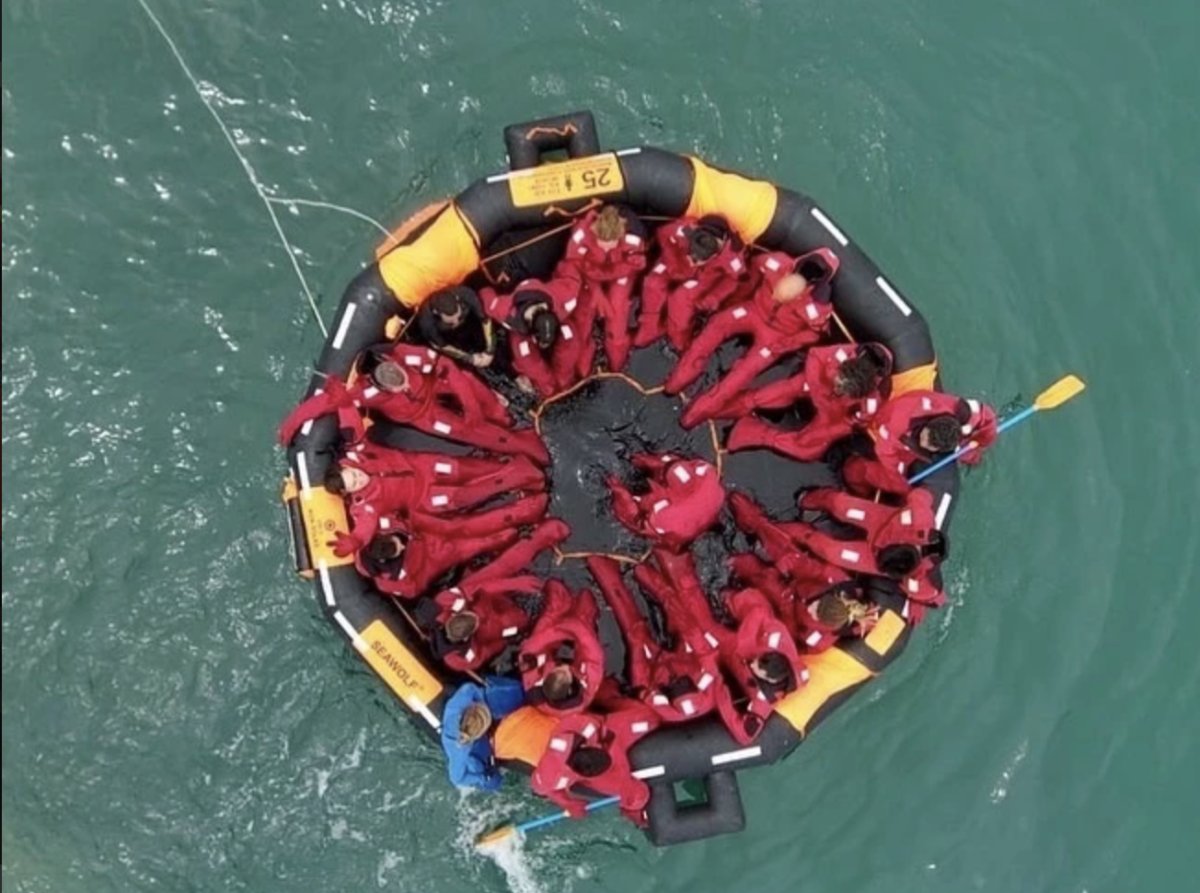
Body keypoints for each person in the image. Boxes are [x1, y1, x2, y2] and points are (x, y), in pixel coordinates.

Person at [278, 344, 549, 465]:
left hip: (434, 386)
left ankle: (502, 415)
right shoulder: (366, 393)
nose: (401, 383)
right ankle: (520, 445)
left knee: (470, 385)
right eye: (394, 385)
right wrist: (290, 427)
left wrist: (471, 405)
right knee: (464, 431)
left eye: (399, 376)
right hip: (424, 415)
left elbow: (448, 369)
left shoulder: (406, 356)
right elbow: (321, 404)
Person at [642, 547, 808, 744]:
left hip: (727, 657)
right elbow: (759, 614)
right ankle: (683, 568)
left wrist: (720, 687)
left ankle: (667, 585)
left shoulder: (763, 700)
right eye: (757, 661)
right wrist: (730, 603)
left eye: (757, 667)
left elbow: (744, 735)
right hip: (741, 642)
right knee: (746, 603)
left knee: (699, 626)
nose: (754, 664)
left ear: (768, 679)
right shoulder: (776, 640)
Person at [665, 249, 839, 428]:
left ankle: (699, 410)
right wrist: (736, 300)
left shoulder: (817, 307)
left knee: (743, 373)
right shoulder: (774, 262)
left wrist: (783, 346)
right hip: (753, 310)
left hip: (776, 336)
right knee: (718, 324)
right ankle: (678, 378)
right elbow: (752, 270)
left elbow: (812, 334)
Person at [323, 445, 545, 553]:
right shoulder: (365, 506)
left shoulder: (359, 456)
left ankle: (506, 466)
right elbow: (365, 527)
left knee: (469, 469)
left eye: (353, 475)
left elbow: (353, 423)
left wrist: (343, 402)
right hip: (424, 497)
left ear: (346, 466)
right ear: (349, 493)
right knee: (465, 496)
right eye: (354, 484)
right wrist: (355, 541)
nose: (358, 479)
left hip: (424, 467)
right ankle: (520, 477)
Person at [587, 556, 724, 723]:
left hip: (656, 666)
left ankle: (606, 571)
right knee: (681, 614)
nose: (678, 681)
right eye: (682, 682)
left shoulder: (659, 702)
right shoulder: (707, 683)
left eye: (675, 684)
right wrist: (688, 630)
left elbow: (641, 682)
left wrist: (638, 646)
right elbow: (706, 653)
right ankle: (657, 585)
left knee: (632, 627)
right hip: (684, 655)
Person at [340, 492, 551, 599]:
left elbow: (376, 514)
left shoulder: (380, 531)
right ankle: (516, 534)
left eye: (398, 543)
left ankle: (519, 519)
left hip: (429, 535)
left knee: (469, 527)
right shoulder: (395, 580)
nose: (403, 546)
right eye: (399, 550)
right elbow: (414, 589)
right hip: (439, 557)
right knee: (480, 544)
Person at [430, 519, 571, 671]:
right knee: (520, 622)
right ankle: (553, 598)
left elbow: (479, 588)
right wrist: (507, 639)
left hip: (481, 595)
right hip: (497, 624)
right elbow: (490, 650)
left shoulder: (443, 603)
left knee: (497, 569)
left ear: (452, 618)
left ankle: (539, 538)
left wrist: (514, 583)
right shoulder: (464, 658)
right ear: (467, 637)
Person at [724, 343, 893, 461]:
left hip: (831, 412)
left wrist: (822, 430)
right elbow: (814, 356)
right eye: (840, 379)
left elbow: (849, 424)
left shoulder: (870, 404)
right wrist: (818, 392)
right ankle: (740, 404)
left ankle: (758, 434)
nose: (838, 384)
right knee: (770, 394)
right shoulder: (843, 353)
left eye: (843, 388)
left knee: (806, 446)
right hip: (815, 385)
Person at [790, 487, 948, 608]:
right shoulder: (920, 516)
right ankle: (808, 499)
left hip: (874, 557)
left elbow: (932, 595)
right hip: (880, 520)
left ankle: (800, 533)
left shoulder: (920, 576)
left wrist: (924, 602)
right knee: (840, 504)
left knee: (831, 551)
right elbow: (921, 495)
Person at [530, 681, 661, 825]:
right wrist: (568, 803)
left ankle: (608, 696)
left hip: (606, 732)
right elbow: (542, 787)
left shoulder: (588, 730)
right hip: (599, 741)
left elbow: (594, 722)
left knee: (650, 719)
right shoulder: (553, 771)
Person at [841, 390, 997, 495]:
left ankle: (972, 457)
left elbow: (987, 417)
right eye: (926, 436)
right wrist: (901, 485)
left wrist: (982, 441)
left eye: (930, 444)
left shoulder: (959, 411)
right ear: (929, 424)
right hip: (888, 433)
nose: (924, 442)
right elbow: (887, 456)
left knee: (971, 455)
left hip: (921, 437)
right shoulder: (895, 422)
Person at [634, 215, 748, 350]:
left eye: (696, 261)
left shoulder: (731, 256)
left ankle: (678, 338)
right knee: (652, 283)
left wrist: (714, 298)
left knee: (680, 299)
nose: (691, 262)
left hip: (703, 277)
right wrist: (671, 259)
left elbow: (733, 280)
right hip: (676, 261)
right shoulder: (683, 230)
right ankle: (649, 326)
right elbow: (663, 235)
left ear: (713, 256)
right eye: (691, 255)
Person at [555, 205, 648, 372]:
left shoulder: (633, 239)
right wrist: (596, 289)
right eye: (602, 244)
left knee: (617, 311)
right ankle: (582, 368)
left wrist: (612, 272)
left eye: (610, 245)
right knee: (584, 314)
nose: (605, 249)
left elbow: (634, 263)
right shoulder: (581, 236)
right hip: (589, 275)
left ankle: (617, 362)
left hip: (619, 272)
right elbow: (576, 263)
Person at [728, 553, 877, 652]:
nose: (811, 608)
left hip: (783, 608)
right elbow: (804, 565)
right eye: (817, 604)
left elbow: (791, 635)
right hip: (788, 584)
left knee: (755, 601)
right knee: (760, 573)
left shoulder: (821, 640)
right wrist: (780, 569)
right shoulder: (833, 581)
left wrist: (785, 610)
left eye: (815, 613)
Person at [483, 270, 592, 397]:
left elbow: (571, 274)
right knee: (525, 356)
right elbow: (487, 298)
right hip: (520, 328)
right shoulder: (504, 311)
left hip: (551, 305)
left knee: (570, 338)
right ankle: (547, 385)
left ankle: (564, 379)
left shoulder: (564, 295)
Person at [517, 580, 606, 714]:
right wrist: (577, 628)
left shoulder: (532, 681)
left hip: (551, 648)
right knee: (585, 614)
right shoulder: (585, 691)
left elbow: (531, 647)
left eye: (558, 670)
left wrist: (559, 630)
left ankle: (559, 604)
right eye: (566, 672)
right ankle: (587, 610)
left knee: (543, 628)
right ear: (571, 687)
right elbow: (594, 656)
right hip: (581, 662)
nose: (564, 666)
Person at [606, 453, 725, 551]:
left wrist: (620, 494)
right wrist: (654, 462)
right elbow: (682, 466)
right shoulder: (708, 473)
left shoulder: (664, 515)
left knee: (636, 520)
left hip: (680, 531)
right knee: (671, 463)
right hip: (708, 509)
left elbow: (640, 522)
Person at [441, 676, 526, 790]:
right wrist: (481, 777)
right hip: (475, 747)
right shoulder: (460, 752)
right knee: (490, 781)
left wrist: (480, 698)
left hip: (473, 731)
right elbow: (456, 778)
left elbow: (469, 687)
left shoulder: (457, 705)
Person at [415, 285, 497, 369]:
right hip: (448, 336)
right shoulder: (427, 322)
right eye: (451, 322)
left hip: (470, 322)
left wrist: (490, 349)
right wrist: (469, 358)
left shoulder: (466, 294)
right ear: (437, 313)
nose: (456, 322)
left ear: (457, 300)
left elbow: (485, 319)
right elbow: (441, 346)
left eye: (459, 316)